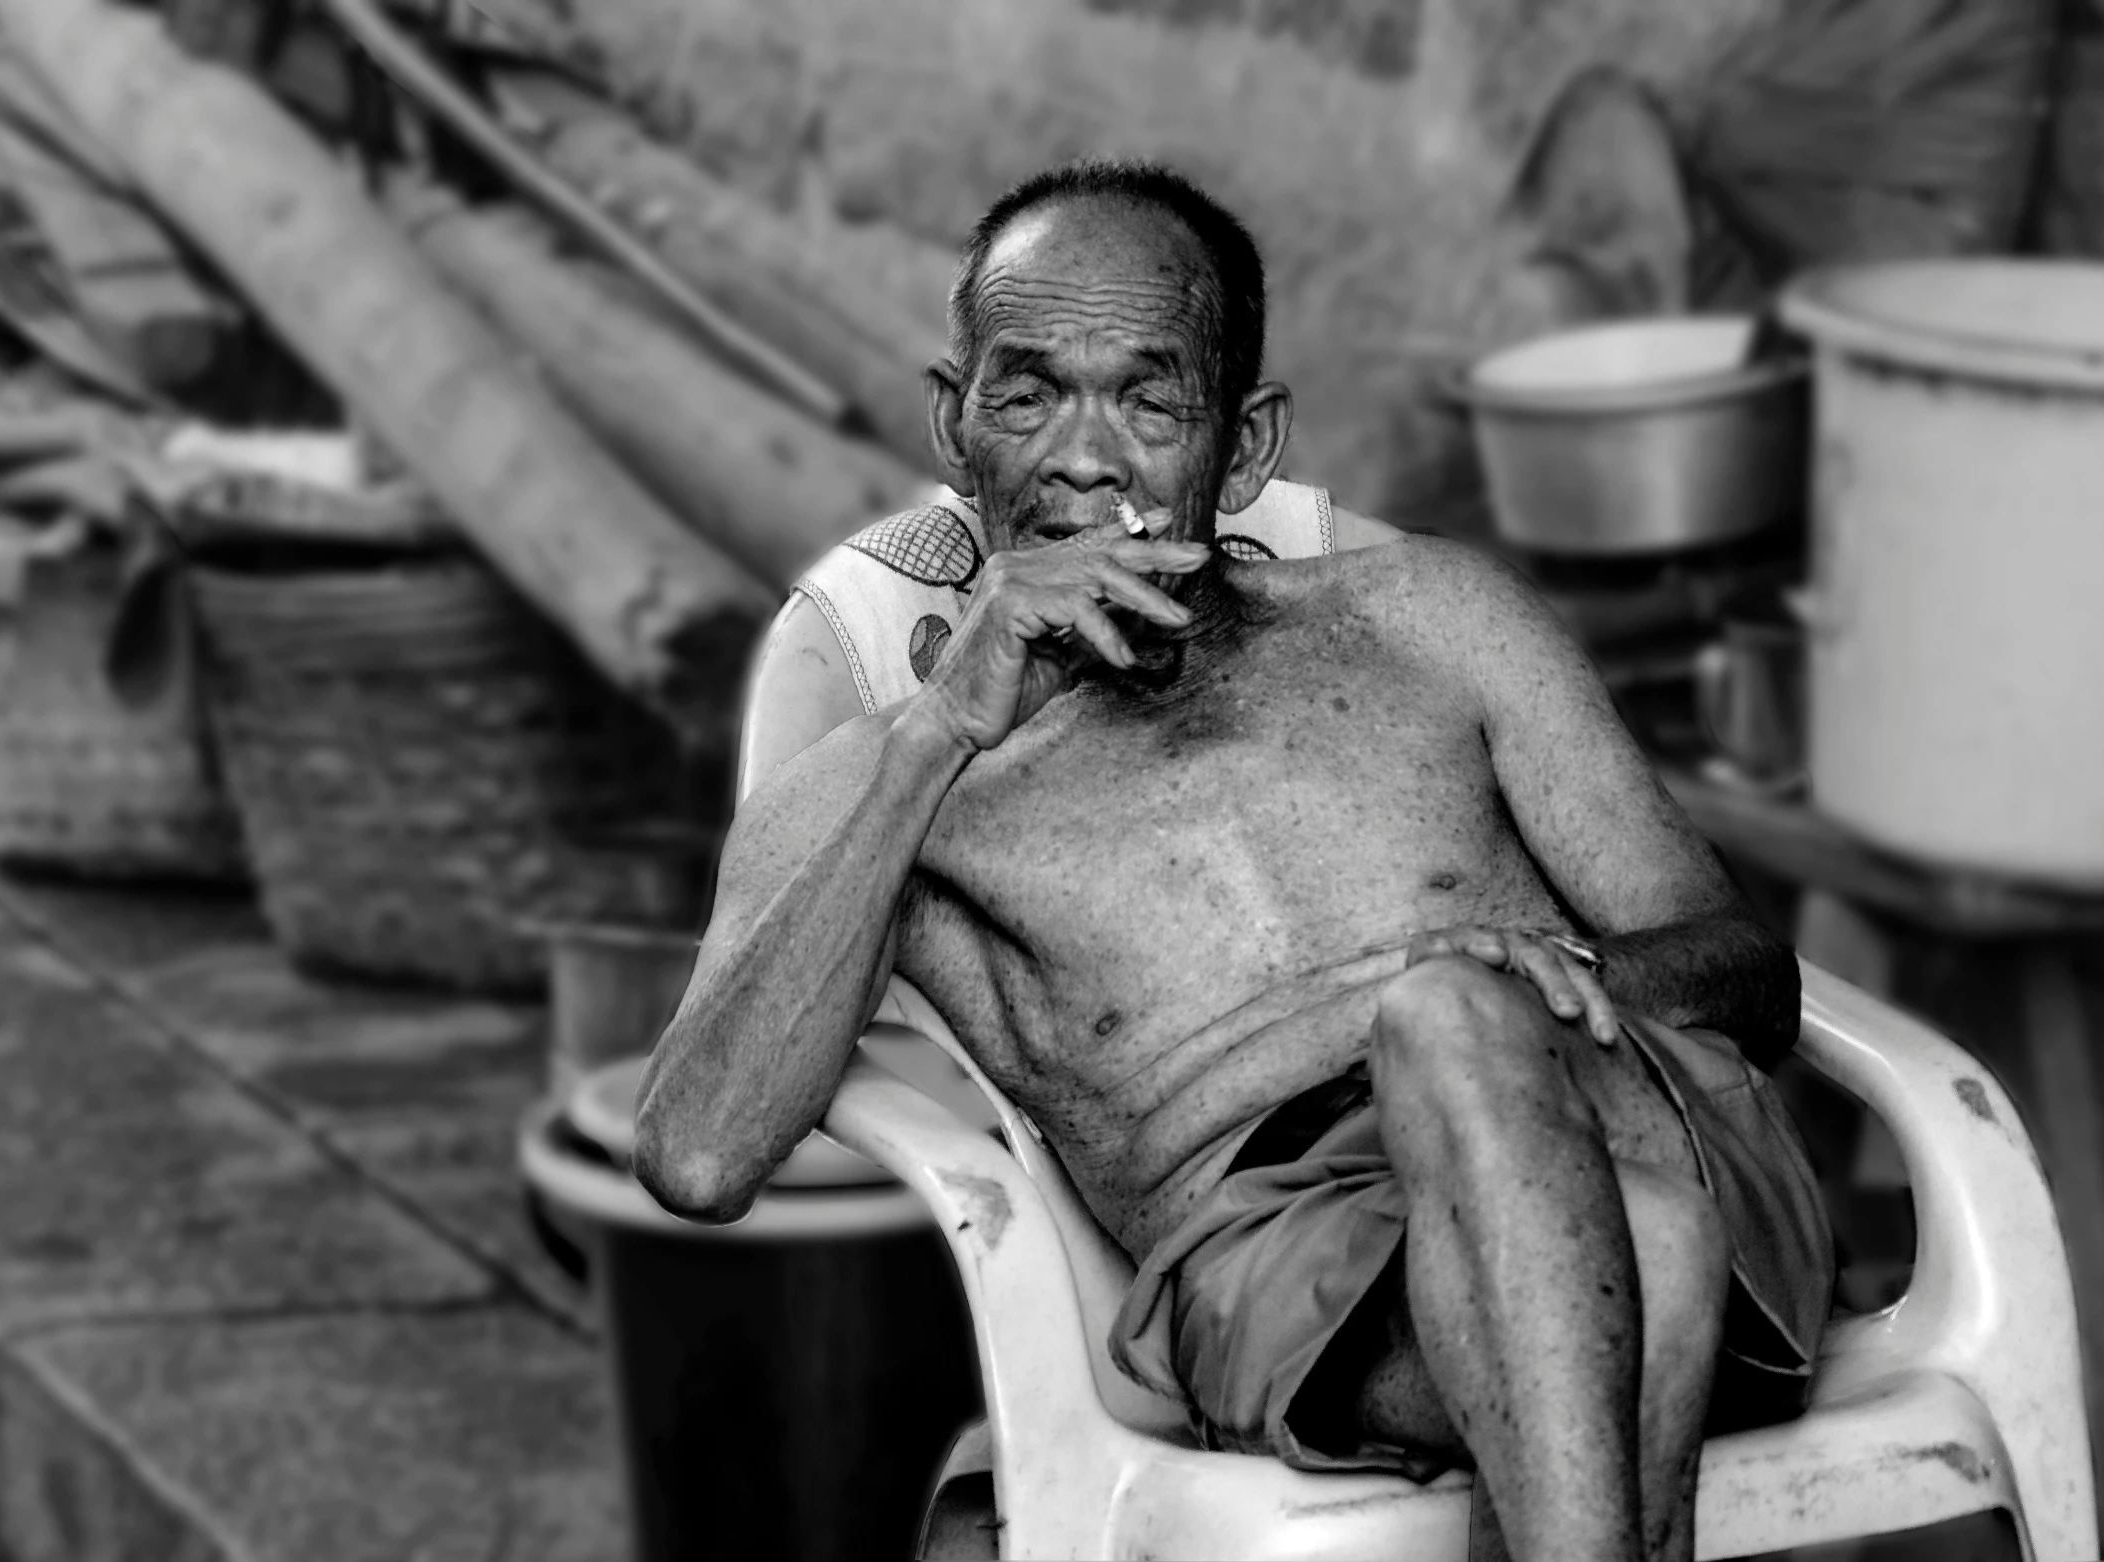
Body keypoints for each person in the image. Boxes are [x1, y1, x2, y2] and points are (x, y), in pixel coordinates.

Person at [634, 159, 1833, 1562]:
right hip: (1304, 1269)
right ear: (951, 421)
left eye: (1148, 402)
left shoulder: (1431, 618)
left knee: (1457, 1024)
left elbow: (1749, 973)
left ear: (1244, 446)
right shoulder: (887, 781)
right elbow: (700, 1152)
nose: (1083, 459)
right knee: (1649, 1252)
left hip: (1617, 1096)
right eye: (1026, 396)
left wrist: (1555, 984)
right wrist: (938, 732)